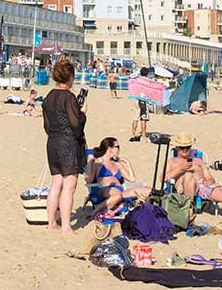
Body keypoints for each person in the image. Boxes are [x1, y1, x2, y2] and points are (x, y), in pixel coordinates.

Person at [166, 133, 222, 226]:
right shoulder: (172, 162)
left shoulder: (197, 160)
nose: (186, 150)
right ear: (177, 148)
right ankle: (189, 210)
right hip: (183, 189)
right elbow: (163, 178)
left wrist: (214, 185)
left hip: (202, 187)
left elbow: (209, 178)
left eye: (188, 147)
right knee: (188, 176)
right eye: (182, 148)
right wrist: (180, 169)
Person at [43, 60, 87, 236]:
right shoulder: (68, 97)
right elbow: (76, 125)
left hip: (52, 142)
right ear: (70, 77)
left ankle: (51, 222)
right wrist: (83, 113)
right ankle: (67, 227)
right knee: (69, 185)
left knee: (56, 184)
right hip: (67, 143)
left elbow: (46, 125)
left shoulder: (48, 96)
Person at [86, 136, 150, 211]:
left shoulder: (117, 164)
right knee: (117, 196)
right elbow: (89, 180)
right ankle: (95, 211)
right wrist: (90, 162)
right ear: (110, 148)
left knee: (149, 190)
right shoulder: (98, 162)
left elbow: (132, 179)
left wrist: (127, 163)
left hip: (121, 191)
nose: (119, 150)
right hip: (106, 190)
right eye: (117, 147)